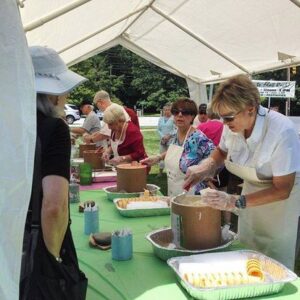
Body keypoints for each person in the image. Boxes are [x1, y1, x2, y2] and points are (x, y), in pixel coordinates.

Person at [184, 74, 300, 270]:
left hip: (279, 206)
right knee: (247, 254)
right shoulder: (232, 126)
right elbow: (221, 151)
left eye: (228, 117)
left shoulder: (282, 131)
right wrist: (205, 167)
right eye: (221, 117)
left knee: (273, 264)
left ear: (251, 109)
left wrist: (234, 201)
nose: (224, 123)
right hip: (251, 195)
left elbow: (282, 189)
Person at [21, 46, 87, 298]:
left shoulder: (10, 126)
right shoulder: (53, 128)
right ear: (53, 95)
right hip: (35, 246)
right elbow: (54, 205)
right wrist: (55, 258)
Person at [141, 98, 215, 196]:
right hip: (173, 190)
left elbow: (217, 158)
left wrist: (205, 172)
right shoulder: (176, 134)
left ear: (192, 116)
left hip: (193, 195)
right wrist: (158, 158)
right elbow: (176, 152)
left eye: (185, 112)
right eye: (176, 112)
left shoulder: (198, 138)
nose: (180, 115)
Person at [157, 103, 176, 177]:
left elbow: (176, 129)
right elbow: (158, 129)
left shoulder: (173, 118)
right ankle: (160, 172)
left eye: (168, 110)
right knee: (161, 155)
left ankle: (170, 173)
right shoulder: (161, 119)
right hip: (162, 140)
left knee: (171, 157)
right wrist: (163, 137)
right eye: (165, 110)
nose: (166, 111)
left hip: (171, 140)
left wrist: (169, 136)